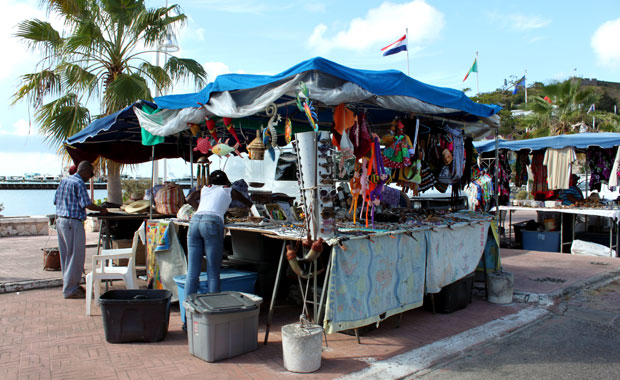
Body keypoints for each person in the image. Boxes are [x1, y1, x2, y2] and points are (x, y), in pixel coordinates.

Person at [183, 170, 251, 330]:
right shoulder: (229, 190)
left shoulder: (205, 189)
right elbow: (248, 203)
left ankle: (188, 321)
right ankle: (212, 318)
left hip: (195, 221)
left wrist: (200, 207)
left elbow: (189, 198)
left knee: (193, 273)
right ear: (227, 181)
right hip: (212, 223)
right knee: (213, 272)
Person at [54, 161, 108, 299]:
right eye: (91, 174)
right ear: (84, 171)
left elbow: (55, 201)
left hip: (60, 221)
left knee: (66, 256)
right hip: (73, 222)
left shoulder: (64, 181)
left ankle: (69, 286)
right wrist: (102, 209)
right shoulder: (78, 183)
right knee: (75, 257)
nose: (91, 177)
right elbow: (87, 204)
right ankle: (70, 290)